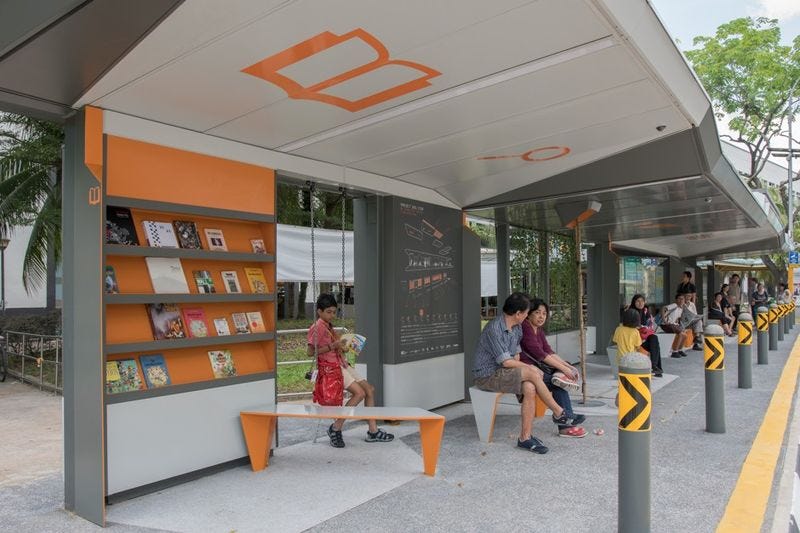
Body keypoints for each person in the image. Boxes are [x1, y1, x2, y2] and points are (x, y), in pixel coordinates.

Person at [473, 292, 580, 454]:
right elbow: (506, 361)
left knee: (530, 386)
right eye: (527, 312)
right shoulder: (494, 329)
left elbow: (515, 355)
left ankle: (525, 438)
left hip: (503, 373)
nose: (528, 315)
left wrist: (525, 369)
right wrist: (528, 368)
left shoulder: (516, 329)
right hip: (487, 376)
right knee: (532, 373)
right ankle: (559, 413)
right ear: (518, 314)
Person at [308, 293, 394, 448]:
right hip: (332, 367)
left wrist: (343, 347)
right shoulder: (317, 327)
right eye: (328, 312)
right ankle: (336, 428)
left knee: (369, 389)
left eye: (334, 312)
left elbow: (334, 346)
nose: (332, 315)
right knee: (359, 393)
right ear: (319, 311)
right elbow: (310, 352)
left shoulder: (328, 326)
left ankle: (373, 431)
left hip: (342, 363)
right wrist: (332, 346)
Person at [519, 298, 587, 438]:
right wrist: (565, 370)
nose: (541, 316)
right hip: (527, 372)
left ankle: (566, 422)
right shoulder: (526, 328)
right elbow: (541, 355)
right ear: (529, 314)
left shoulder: (538, 330)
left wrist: (568, 366)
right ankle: (566, 425)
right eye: (537, 312)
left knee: (559, 381)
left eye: (544, 313)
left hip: (537, 371)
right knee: (559, 383)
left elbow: (549, 351)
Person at [630, 294, 663, 377]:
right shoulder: (631, 312)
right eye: (638, 301)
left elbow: (650, 325)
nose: (640, 303)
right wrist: (642, 328)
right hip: (635, 340)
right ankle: (657, 367)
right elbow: (630, 327)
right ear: (634, 302)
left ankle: (655, 366)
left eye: (642, 301)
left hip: (645, 338)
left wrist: (644, 328)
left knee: (654, 339)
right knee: (655, 344)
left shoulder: (646, 311)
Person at [660, 294, 702, 358]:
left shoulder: (681, 308)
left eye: (682, 299)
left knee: (685, 334)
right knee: (681, 334)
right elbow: (663, 308)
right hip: (666, 325)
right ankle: (674, 352)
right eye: (679, 299)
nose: (681, 300)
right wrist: (664, 320)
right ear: (676, 300)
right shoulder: (674, 305)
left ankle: (680, 350)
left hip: (674, 325)